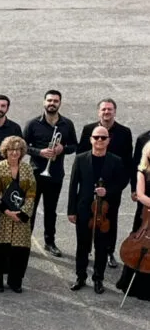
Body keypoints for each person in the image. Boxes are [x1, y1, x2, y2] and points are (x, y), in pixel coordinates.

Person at [67, 126, 126, 294]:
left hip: (105, 212)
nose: (100, 140)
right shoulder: (80, 159)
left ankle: (98, 279)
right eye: (96, 137)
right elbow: (73, 185)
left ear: (108, 140)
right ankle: (80, 276)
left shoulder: (116, 161)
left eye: (103, 138)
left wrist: (107, 191)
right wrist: (71, 210)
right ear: (91, 139)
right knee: (82, 245)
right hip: (84, 208)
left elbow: (121, 183)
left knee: (101, 246)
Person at [78, 98, 133, 269]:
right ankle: (86, 250)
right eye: (103, 109)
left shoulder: (124, 132)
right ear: (98, 112)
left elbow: (128, 162)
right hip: (91, 185)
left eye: (110, 109)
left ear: (114, 112)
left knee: (110, 219)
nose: (106, 112)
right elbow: (81, 155)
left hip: (112, 186)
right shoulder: (88, 129)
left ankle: (109, 251)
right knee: (87, 218)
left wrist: (119, 187)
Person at [23, 89, 78, 257]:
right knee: (30, 209)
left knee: (51, 210)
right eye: (49, 100)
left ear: (60, 103)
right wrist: (39, 152)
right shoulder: (33, 124)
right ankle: (25, 241)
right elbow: (23, 146)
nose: (52, 103)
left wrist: (63, 148)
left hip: (55, 174)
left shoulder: (67, 124)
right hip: (35, 173)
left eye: (55, 101)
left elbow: (74, 146)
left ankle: (50, 242)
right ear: (44, 102)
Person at [0, 136, 37, 293]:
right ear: (5, 151)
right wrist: (7, 211)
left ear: (22, 152)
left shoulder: (27, 169)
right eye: (11, 150)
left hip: (21, 218)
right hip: (2, 216)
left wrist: (23, 213)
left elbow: (31, 192)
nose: (14, 153)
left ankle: (15, 281)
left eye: (17, 150)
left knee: (19, 252)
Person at [117, 139, 150, 301]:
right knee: (140, 246)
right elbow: (140, 195)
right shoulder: (142, 171)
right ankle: (132, 284)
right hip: (146, 214)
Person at [132, 129, 150, 232]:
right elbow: (135, 164)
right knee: (140, 224)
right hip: (146, 199)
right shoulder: (142, 138)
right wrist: (133, 189)